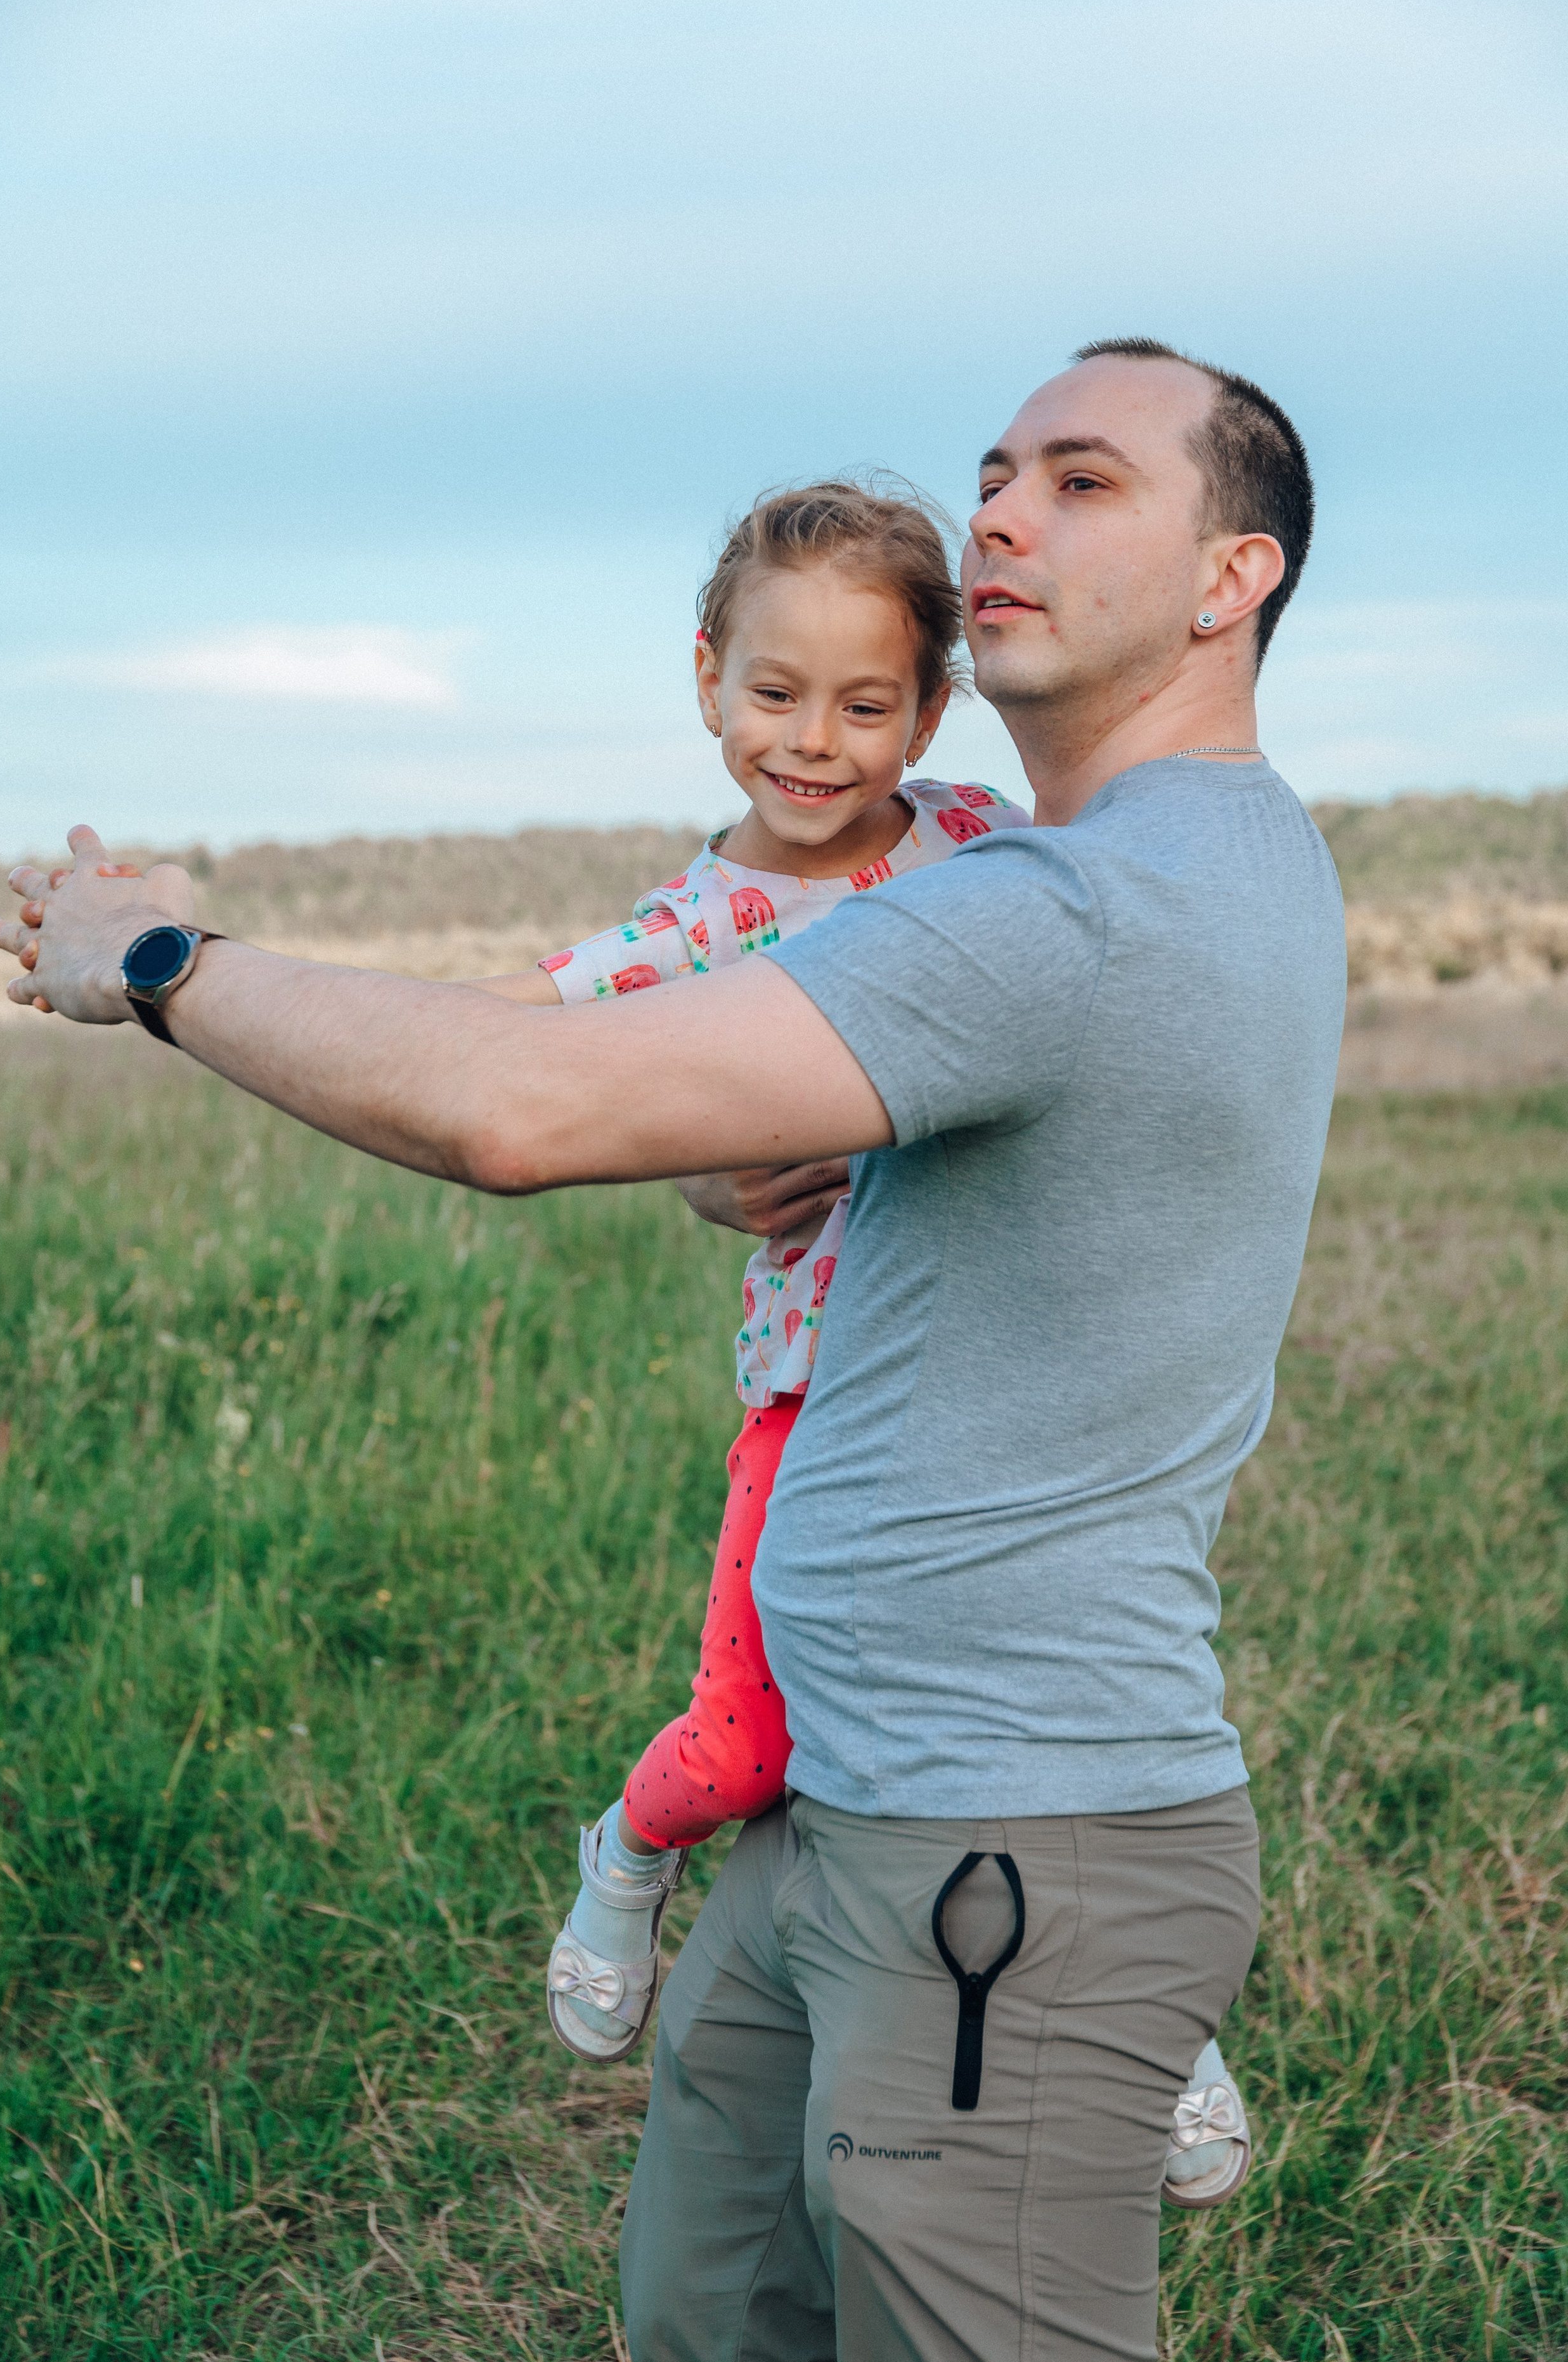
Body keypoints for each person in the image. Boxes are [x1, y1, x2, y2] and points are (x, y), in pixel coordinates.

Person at [0, 337, 1346, 2362]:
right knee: (713, 2323)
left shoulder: (1068, 909)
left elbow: (515, 1106)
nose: (999, 515)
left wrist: (162, 965)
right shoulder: (1166, 871)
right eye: (994, 472)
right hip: (832, 1794)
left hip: (1003, 1843)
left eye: (1081, 481)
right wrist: (756, 1159)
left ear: (1232, 579)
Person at [475, 470, 1253, 2216]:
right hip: (819, 1399)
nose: (814, 743)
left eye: (864, 702)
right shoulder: (698, 929)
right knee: (754, 1747)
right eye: (774, 694)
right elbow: (509, 1030)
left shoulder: (984, 846)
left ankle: (1157, 2029)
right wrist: (200, 979)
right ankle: (630, 1852)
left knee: (1066, 1718)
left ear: (930, 708)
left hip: (1015, 1381)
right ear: (705, 680)